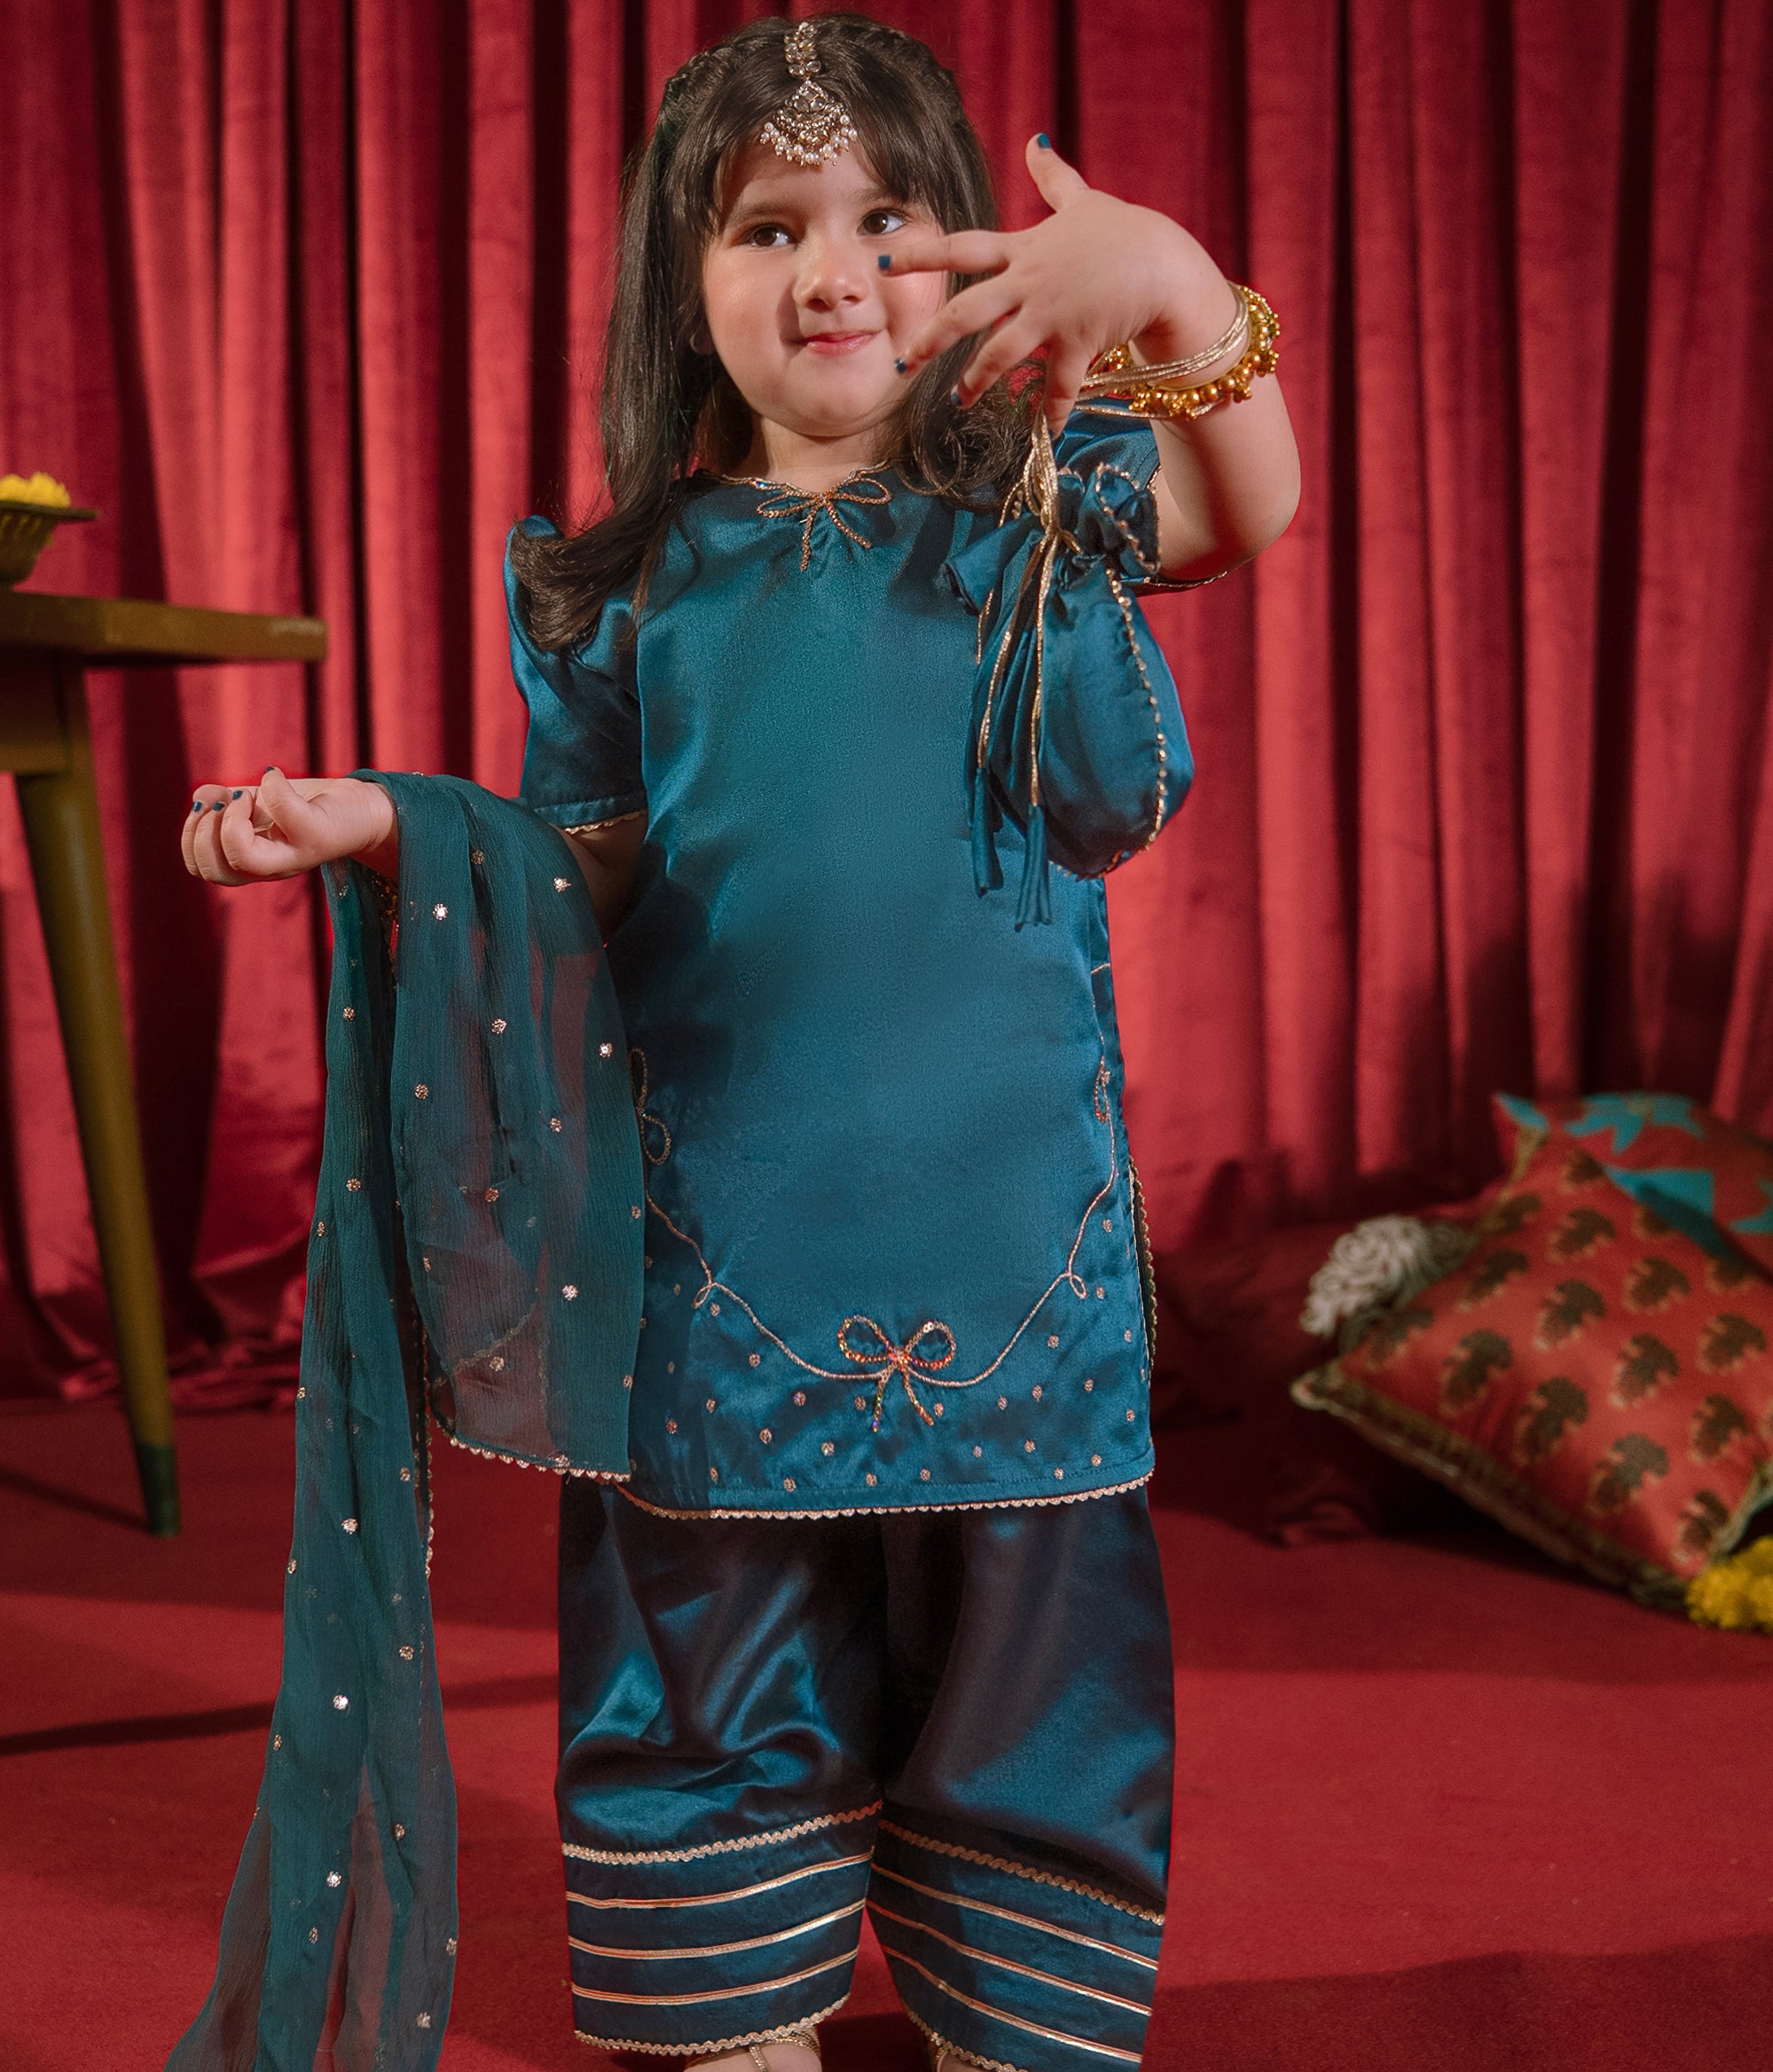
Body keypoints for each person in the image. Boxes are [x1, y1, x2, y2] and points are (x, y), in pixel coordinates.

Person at [180, 15, 1298, 2070]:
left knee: (1030, 1650)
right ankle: (733, 2020)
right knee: (703, 1648)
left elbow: (1250, 504)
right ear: (677, 288)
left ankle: (1014, 2018)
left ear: (969, 252)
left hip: (1011, 1249)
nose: (832, 269)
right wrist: (398, 828)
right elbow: (590, 873)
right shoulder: (626, 593)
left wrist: (1167, 282)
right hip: (725, 1259)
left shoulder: (1042, 513)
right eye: (768, 227)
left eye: (882, 217)